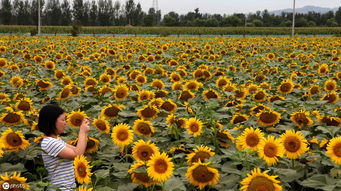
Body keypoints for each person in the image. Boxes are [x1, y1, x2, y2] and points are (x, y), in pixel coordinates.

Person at [38, 102, 90, 191]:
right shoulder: (49, 143)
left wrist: (84, 131)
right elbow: (77, 154)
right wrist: (82, 132)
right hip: (60, 188)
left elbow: (78, 150)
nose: (65, 123)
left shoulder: (56, 140)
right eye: (63, 120)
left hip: (69, 187)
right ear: (52, 122)